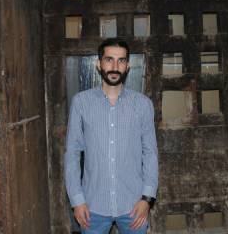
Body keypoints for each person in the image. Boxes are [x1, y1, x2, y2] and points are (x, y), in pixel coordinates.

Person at [64, 38, 158, 234]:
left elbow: (150, 153)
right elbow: (72, 153)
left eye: (121, 61)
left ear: (128, 66)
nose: (115, 67)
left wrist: (147, 199)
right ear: (99, 65)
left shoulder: (142, 105)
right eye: (109, 60)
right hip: (92, 207)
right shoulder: (81, 103)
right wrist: (77, 200)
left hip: (134, 206)